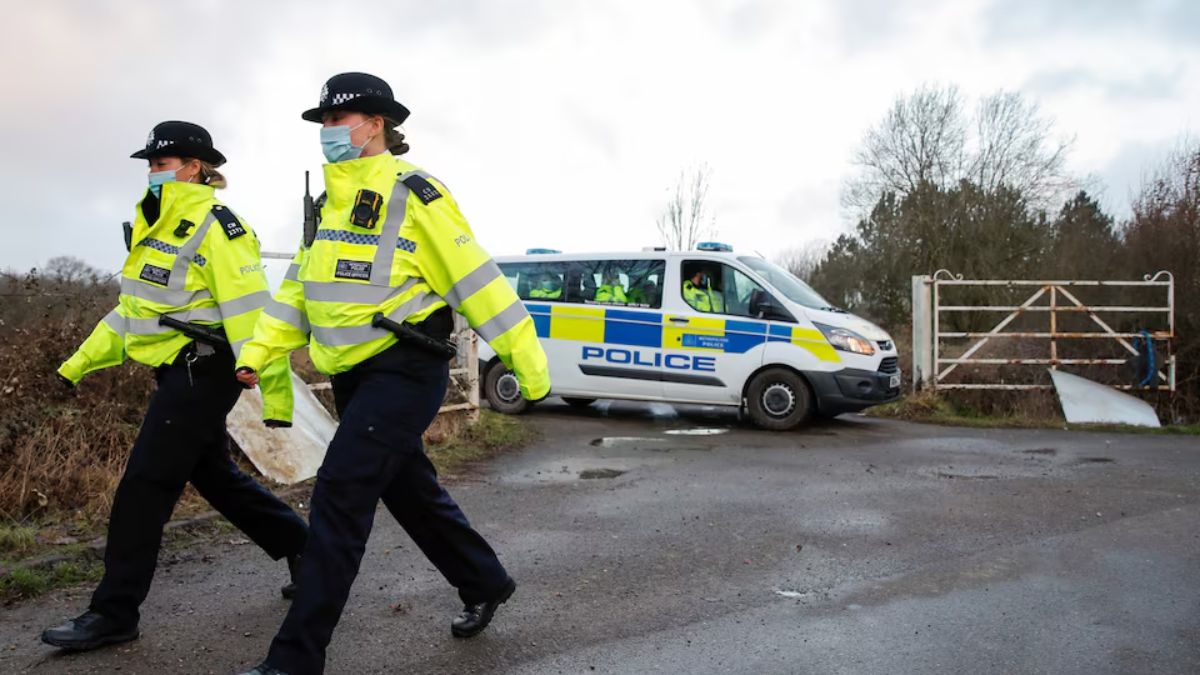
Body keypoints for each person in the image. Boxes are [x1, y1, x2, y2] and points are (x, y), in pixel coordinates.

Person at [234, 73, 550, 675]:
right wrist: (257, 351)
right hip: (354, 375)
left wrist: (527, 367)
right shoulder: (329, 205)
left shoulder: (416, 194)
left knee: (340, 494)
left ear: (374, 123)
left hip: (406, 369)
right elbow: (299, 291)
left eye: (335, 121)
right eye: (323, 123)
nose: (326, 133)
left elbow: (477, 282)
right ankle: (484, 580)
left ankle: (294, 660)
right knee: (409, 490)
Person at [41, 121, 308, 652]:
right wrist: (77, 364)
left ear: (195, 167)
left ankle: (114, 612)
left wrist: (274, 398)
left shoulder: (219, 228)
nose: (153, 173)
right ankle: (305, 546)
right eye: (150, 165)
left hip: (205, 370)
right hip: (174, 369)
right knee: (214, 476)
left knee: (145, 484)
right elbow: (135, 311)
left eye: (162, 164)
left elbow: (253, 318)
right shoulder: (156, 226)